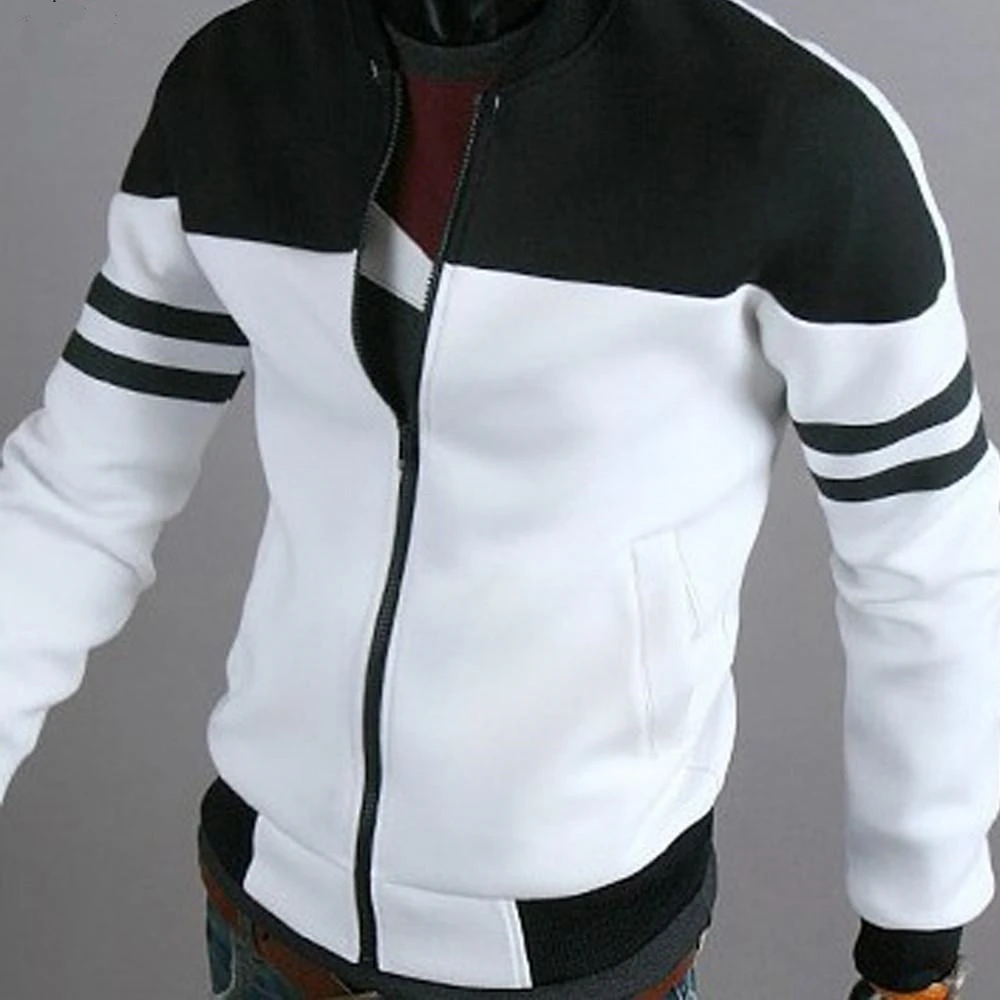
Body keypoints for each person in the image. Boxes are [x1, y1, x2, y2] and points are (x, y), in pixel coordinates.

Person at [0, 0, 995, 996]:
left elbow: (926, 554)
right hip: (264, 918)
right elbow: (77, 489)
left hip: (571, 955)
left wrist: (914, 936)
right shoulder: (236, 81)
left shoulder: (790, 131)